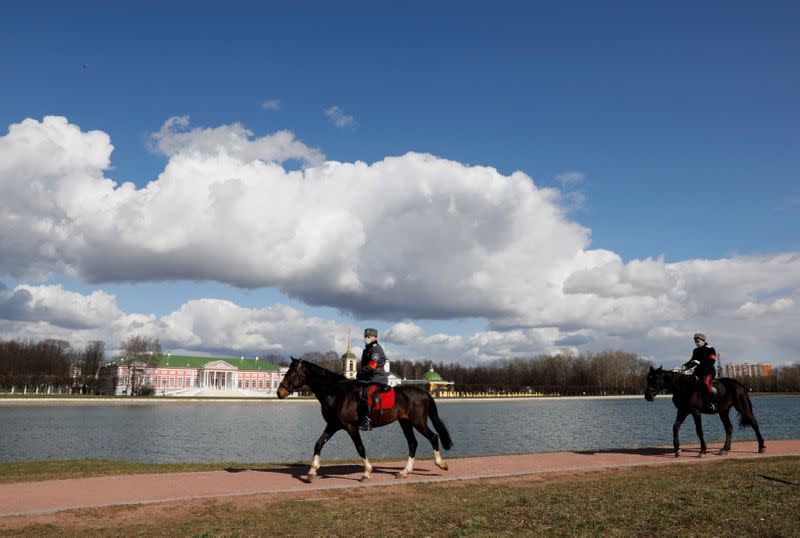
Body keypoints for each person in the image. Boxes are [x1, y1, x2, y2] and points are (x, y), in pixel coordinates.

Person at [356, 328, 388, 431]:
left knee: (367, 393)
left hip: (377, 379)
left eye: (369, 336)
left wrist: (361, 372)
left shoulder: (376, 349)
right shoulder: (366, 349)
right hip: (368, 379)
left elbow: (372, 366)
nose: (367, 338)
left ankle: (368, 421)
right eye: (365, 336)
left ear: (375, 338)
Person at [681, 333, 718, 412]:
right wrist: (685, 366)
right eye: (695, 341)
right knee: (688, 382)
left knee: (705, 383)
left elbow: (711, 362)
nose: (696, 343)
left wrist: (700, 363)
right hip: (698, 372)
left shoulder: (710, 349)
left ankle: (712, 402)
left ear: (703, 341)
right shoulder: (696, 350)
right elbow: (692, 361)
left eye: (698, 341)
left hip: (708, 372)